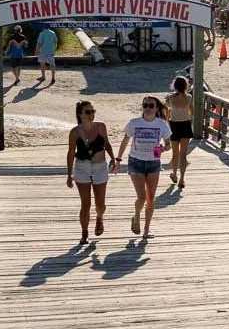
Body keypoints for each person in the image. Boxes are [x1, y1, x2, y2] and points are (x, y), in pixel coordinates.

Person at [114, 96, 172, 241]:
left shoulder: (162, 124)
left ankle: (146, 230)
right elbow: (125, 140)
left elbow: (169, 144)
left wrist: (163, 149)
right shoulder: (134, 123)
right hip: (136, 162)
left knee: (151, 199)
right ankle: (136, 215)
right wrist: (118, 159)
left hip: (153, 163)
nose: (147, 108)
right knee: (141, 197)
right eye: (145, 105)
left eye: (151, 105)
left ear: (156, 108)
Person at [66, 100, 111, 244]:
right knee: (85, 204)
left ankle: (99, 218)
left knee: (100, 203)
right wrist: (69, 174)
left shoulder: (101, 127)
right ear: (80, 114)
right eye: (88, 112)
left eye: (93, 111)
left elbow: (106, 143)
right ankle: (84, 233)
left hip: (100, 167)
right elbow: (71, 152)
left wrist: (114, 159)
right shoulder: (75, 132)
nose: (91, 114)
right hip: (82, 168)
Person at [165, 77, 194, 188]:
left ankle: (174, 174)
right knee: (183, 154)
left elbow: (167, 111)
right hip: (185, 125)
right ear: (185, 86)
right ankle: (182, 179)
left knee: (175, 154)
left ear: (175, 86)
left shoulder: (170, 97)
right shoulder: (189, 97)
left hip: (174, 125)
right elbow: (192, 112)